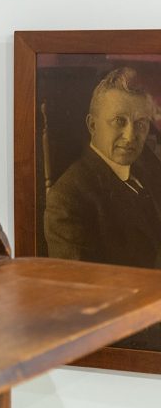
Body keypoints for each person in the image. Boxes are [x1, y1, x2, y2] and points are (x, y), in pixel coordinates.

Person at [44, 67, 161, 268]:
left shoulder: (148, 167)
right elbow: (85, 291)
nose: (130, 136)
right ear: (93, 125)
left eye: (140, 124)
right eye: (119, 121)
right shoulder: (67, 200)